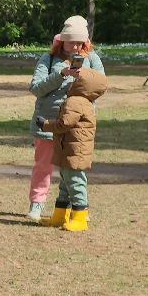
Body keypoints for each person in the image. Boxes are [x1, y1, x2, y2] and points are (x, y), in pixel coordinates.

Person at [28, 17, 105, 221]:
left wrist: (83, 76)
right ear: (62, 40)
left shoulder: (92, 59)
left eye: (80, 43)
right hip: (47, 122)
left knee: (73, 167)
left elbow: (100, 86)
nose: (76, 46)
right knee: (43, 167)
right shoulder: (48, 59)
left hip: (76, 126)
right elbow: (36, 88)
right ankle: (37, 203)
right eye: (72, 42)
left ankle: (77, 208)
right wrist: (61, 74)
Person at [40, 63, 107, 232]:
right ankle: (60, 216)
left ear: (83, 85)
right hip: (71, 150)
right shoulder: (84, 101)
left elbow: (64, 124)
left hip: (73, 152)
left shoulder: (75, 101)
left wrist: (45, 124)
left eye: (75, 80)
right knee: (65, 184)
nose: (70, 83)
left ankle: (79, 218)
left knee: (75, 184)